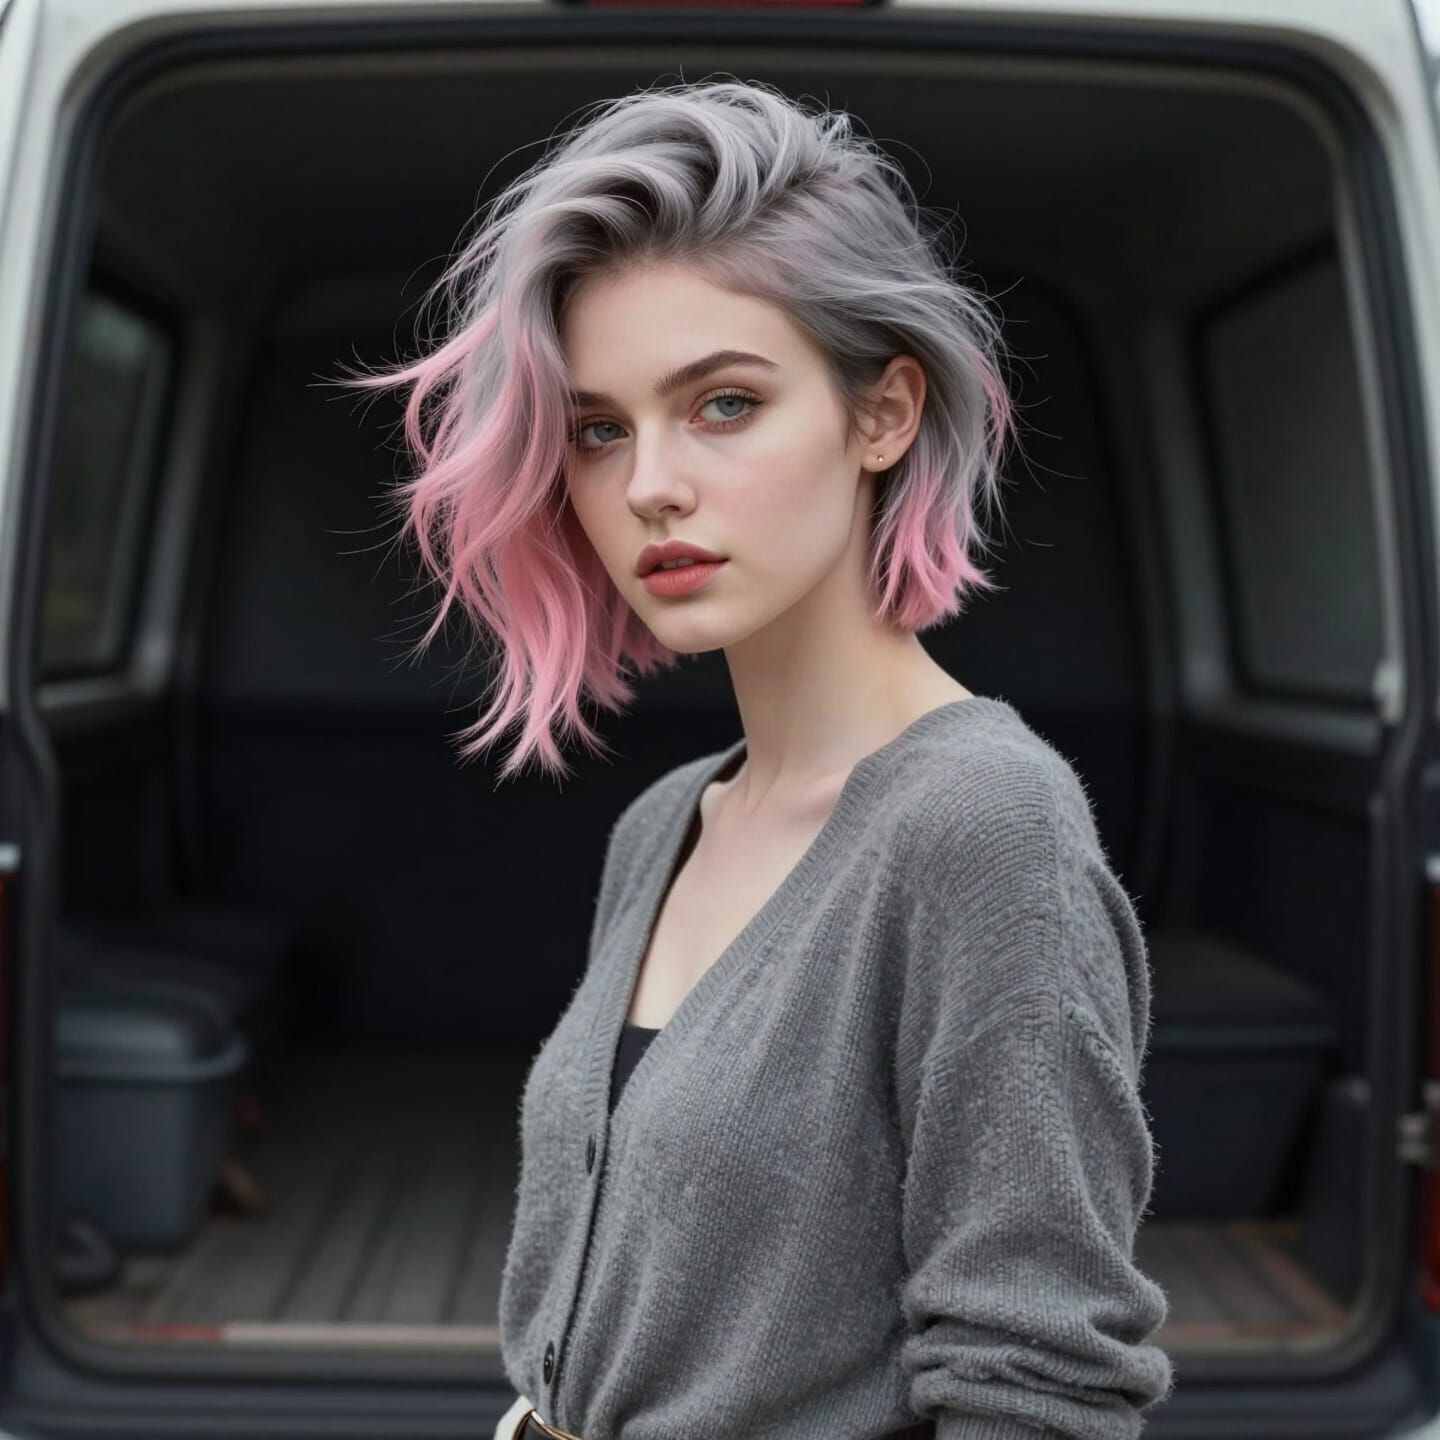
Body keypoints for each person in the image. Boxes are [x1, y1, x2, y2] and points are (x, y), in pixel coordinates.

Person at [336, 75, 1175, 1440]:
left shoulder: (985, 827)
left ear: (882, 414)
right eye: (602, 429)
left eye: (722, 404)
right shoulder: (667, 823)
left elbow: (1038, 1391)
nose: (648, 482)